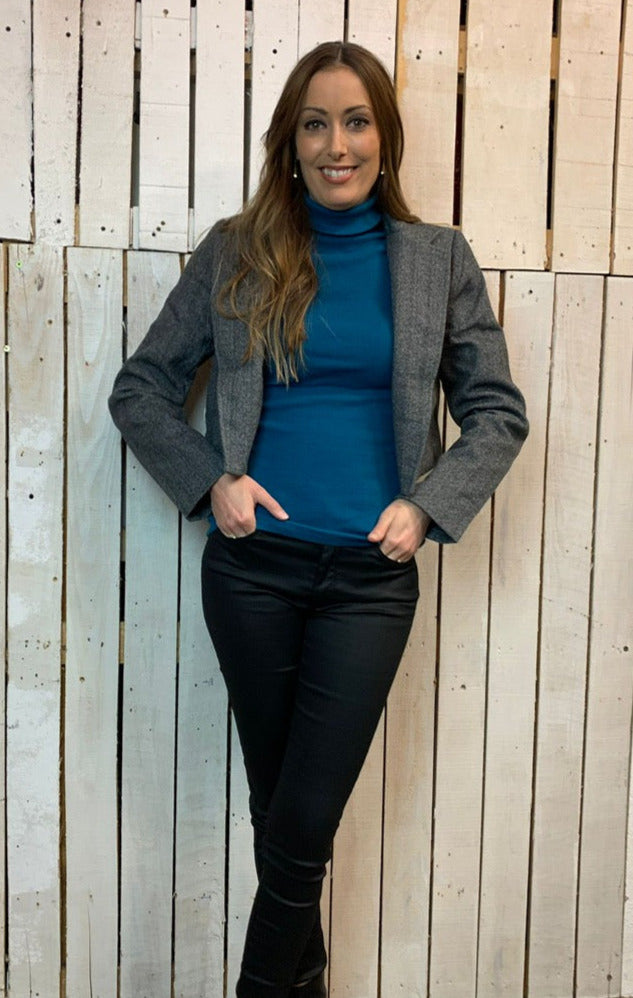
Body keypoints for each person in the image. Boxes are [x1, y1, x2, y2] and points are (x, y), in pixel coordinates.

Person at [109, 40, 528, 998]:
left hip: (369, 583)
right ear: (289, 143)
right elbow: (141, 389)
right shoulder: (236, 251)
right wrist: (212, 482)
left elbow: (496, 412)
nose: (336, 145)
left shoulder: (437, 260)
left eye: (355, 122)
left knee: (300, 824)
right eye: (315, 124)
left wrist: (427, 505)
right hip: (252, 572)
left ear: (384, 138)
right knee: (284, 820)